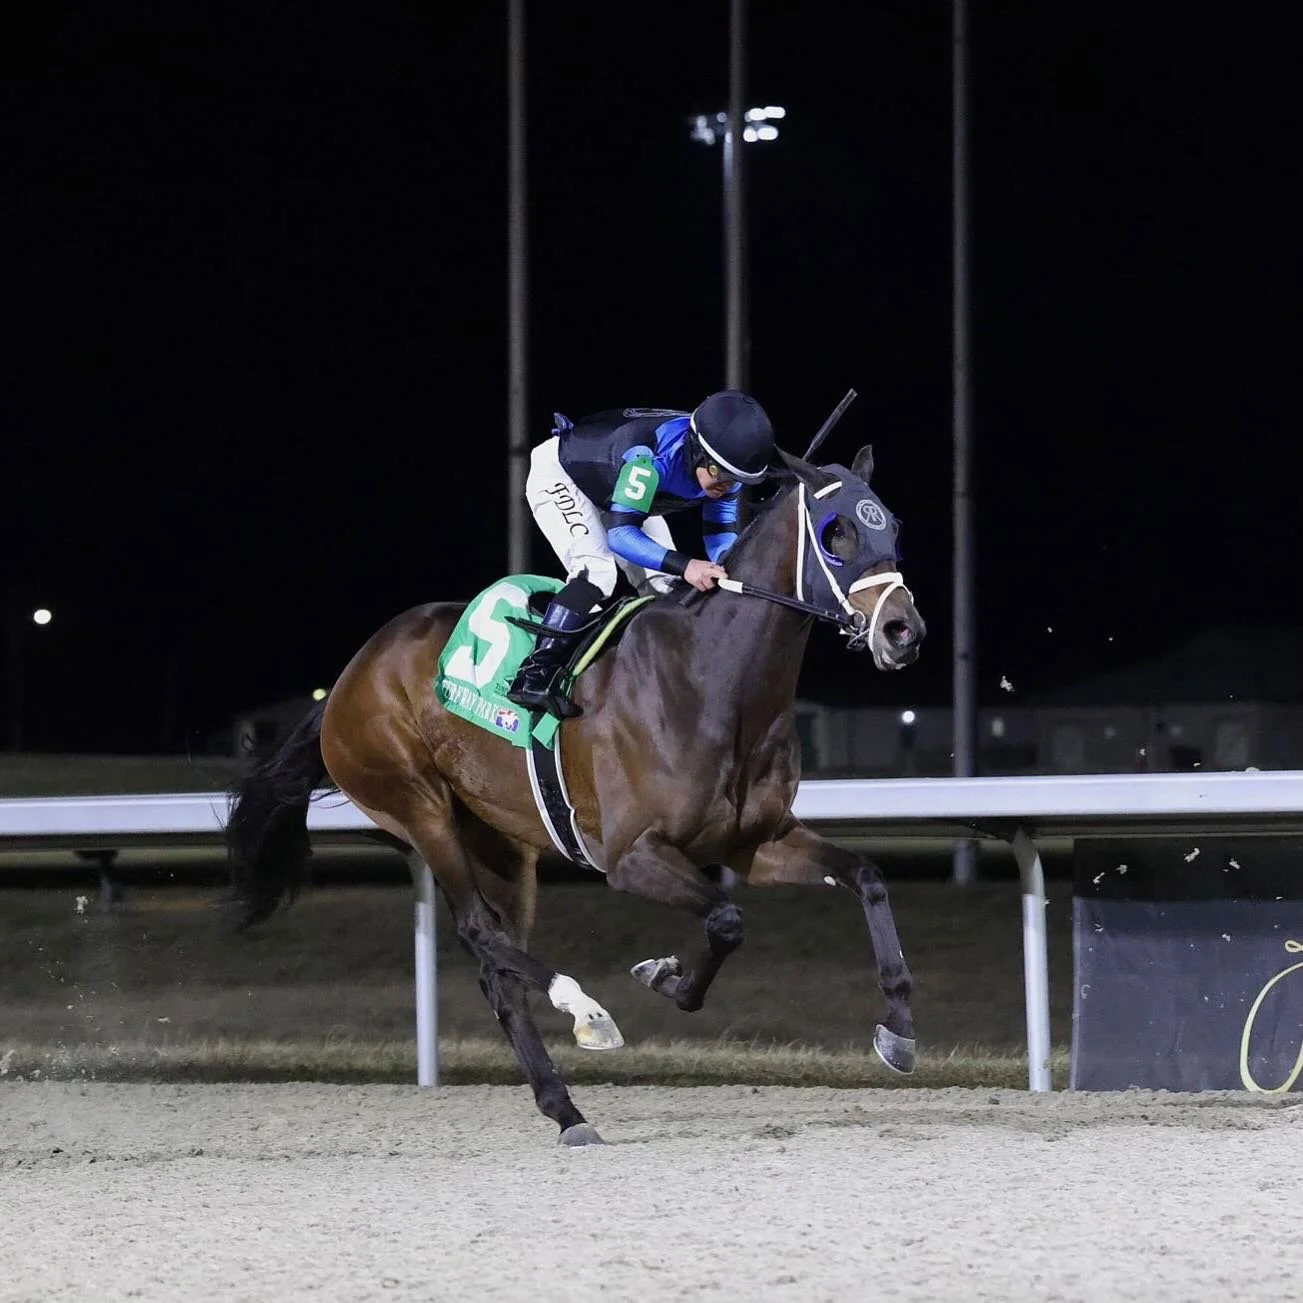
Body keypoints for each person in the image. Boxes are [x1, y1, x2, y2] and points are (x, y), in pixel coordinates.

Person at [505, 388, 776, 718]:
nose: (727, 486)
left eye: (738, 480)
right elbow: (620, 535)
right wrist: (687, 565)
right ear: (696, 453)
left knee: (666, 586)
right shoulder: (650, 459)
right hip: (566, 476)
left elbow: (720, 536)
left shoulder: (723, 472)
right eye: (721, 474)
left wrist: (728, 567)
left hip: (620, 491)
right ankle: (533, 676)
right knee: (597, 571)